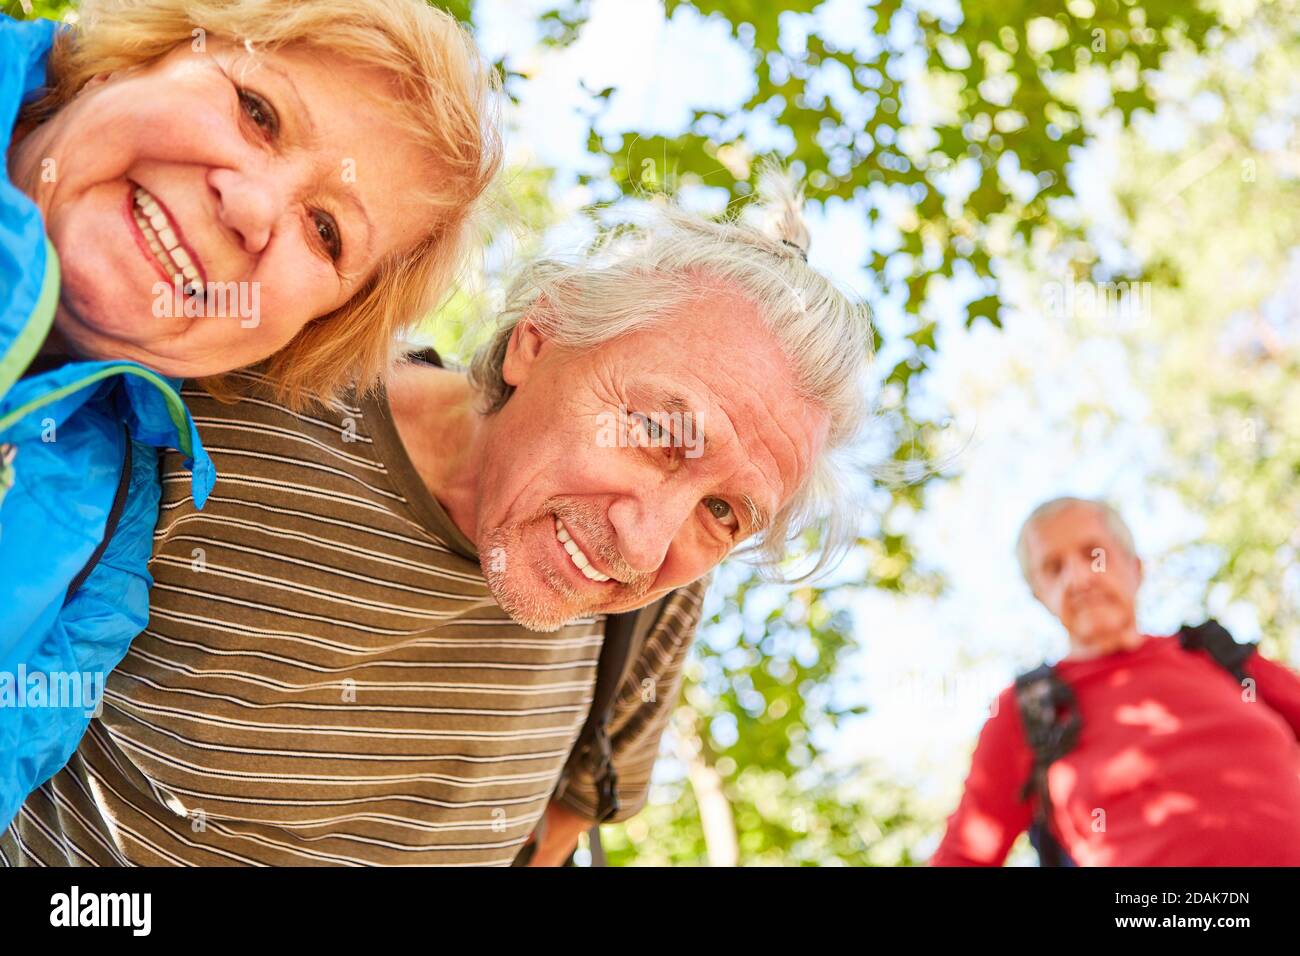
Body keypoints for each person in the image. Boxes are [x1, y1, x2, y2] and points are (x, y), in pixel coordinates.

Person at [0, 173, 875, 866]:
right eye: (655, 432)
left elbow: (559, 826)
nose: (643, 546)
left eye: (724, 511)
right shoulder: (235, 398)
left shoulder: (655, 612)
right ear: (540, 336)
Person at [0, 0, 501, 830]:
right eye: (258, 111)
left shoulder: (106, 558)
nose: (252, 208)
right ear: (136, 53)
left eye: (327, 233)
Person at [931, 496, 1300, 866]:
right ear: (1039, 596)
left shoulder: (1220, 658)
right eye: (1053, 568)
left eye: (1094, 554)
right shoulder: (1028, 709)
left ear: (1135, 567)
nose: (1077, 579)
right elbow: (964, 856)